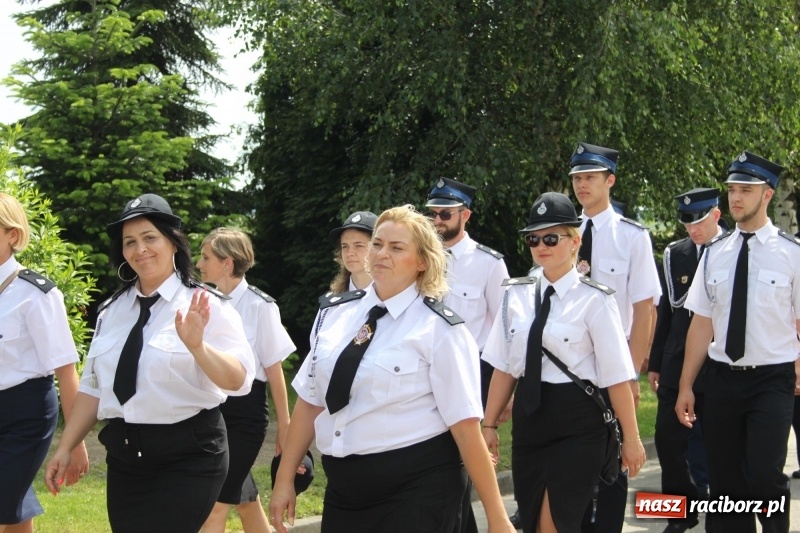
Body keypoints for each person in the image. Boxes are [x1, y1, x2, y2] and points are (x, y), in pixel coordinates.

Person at [269, 205, 515, 533]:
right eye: (378, 244)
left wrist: (497, 518)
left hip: (417, 489)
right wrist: (284, 478)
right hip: (344, 489)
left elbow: (465, 430)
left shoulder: (441, 330)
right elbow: (312, 400)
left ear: (423, 262)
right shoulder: (334, 315)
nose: (382, 253)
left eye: (397, 248)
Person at [44, 193, 256, 533]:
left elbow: (238, 380)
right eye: (130, 242)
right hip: (126, 459)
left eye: (149, 237)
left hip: (189, 456)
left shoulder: (205, 303)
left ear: (173, 242)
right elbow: (94, 388)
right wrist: (66, 446)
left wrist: (198, 347)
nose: (140, 249)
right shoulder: (112, 311)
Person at [481, 191, 645, 533]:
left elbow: (615, 376)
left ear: (575, 241)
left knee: (555, 523)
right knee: (531, 521)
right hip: (530, 420)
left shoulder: (595, 300)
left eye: (552, 237)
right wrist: (489, 424)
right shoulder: (516, 294)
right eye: (534, 238)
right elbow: (504, 365)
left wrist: (631, 438)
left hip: (579, 423)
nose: (542, 245)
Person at [676, 151, 800, 533]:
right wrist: (685, 386)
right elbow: (701, 322)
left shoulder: (792, 254)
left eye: (745, 190)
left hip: (772, 380)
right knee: (726, 483)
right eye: (732, 189)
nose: (736, 198)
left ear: (767, 194)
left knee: (764, 476)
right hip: (721, 380)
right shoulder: (715, 254)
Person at [570, 142, 661, 532]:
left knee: (613, 462)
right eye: (576, 178)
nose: (581, 185)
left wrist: (631, 374)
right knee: (572, 460)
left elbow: (644, 309)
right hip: (569, 363)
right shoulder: (561, 234)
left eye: (590, 177)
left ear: (610, 180)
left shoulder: (631, 236)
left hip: (613, 364)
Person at [424, 177, 511, 532]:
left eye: (445, 214)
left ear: (466, 215)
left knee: (461, 468)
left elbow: (507, 332)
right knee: (439, 471)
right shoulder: (419, 259)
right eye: (432, 215)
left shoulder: (488, 264)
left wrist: (503, 395)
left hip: (473, 375)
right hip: (423, 374)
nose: (437, 222)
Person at [197, 227, 296, 533]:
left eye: (205, 257)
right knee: (244, 500)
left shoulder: (260, 306)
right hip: (211, 411)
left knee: (213, 507)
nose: (198, 264)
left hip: (244, 416)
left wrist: (286, 428)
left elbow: (275, 369)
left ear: (227, 263)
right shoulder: (203, 300)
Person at [0, 193, 88, 533]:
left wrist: (75, 441)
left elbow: (66, 370)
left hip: (26, 412)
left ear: (13, 234)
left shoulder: (37, 294)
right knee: (14, 504)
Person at [648, 188, 722, 533]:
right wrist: (656, 362)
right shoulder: (675, 254)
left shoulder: (733, 250)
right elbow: (667, 311)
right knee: (666, 439)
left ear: (716, 216)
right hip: (677, 361)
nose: (693, 229)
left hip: (720, 361)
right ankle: (681, 512)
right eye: (687, 222)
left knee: (722, 443)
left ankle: (724, 512)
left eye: (700, 221)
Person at [327, 211, 377, 293]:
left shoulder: (397, 296)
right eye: (345, 246)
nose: (349, 253)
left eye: (358, 245)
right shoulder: (333, 304)